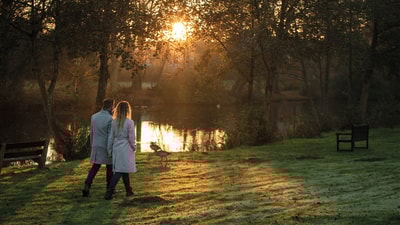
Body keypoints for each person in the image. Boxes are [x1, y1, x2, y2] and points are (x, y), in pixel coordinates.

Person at [82, 99, 114, 197]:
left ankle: (87, 185)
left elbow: (92, 132)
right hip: (105, 145)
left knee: (95, 166)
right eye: (113, 106)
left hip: (96, 145)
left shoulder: (94, 117)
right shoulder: (110, 119)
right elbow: (110, 136)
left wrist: (92, 145)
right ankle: (109, 188)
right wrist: (111, 149)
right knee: (110, 167)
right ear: (110, 107)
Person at [104, 100, 137, 200]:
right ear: (127, 110)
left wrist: (109, 150)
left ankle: (129, 190)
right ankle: (109, 192)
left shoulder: (114, 122)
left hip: (117, 147)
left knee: (123, 169)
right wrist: (134, 146)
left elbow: (111, 137)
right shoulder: (129, 122)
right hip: (126, 147)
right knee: (119, 170)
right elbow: (131, 137)